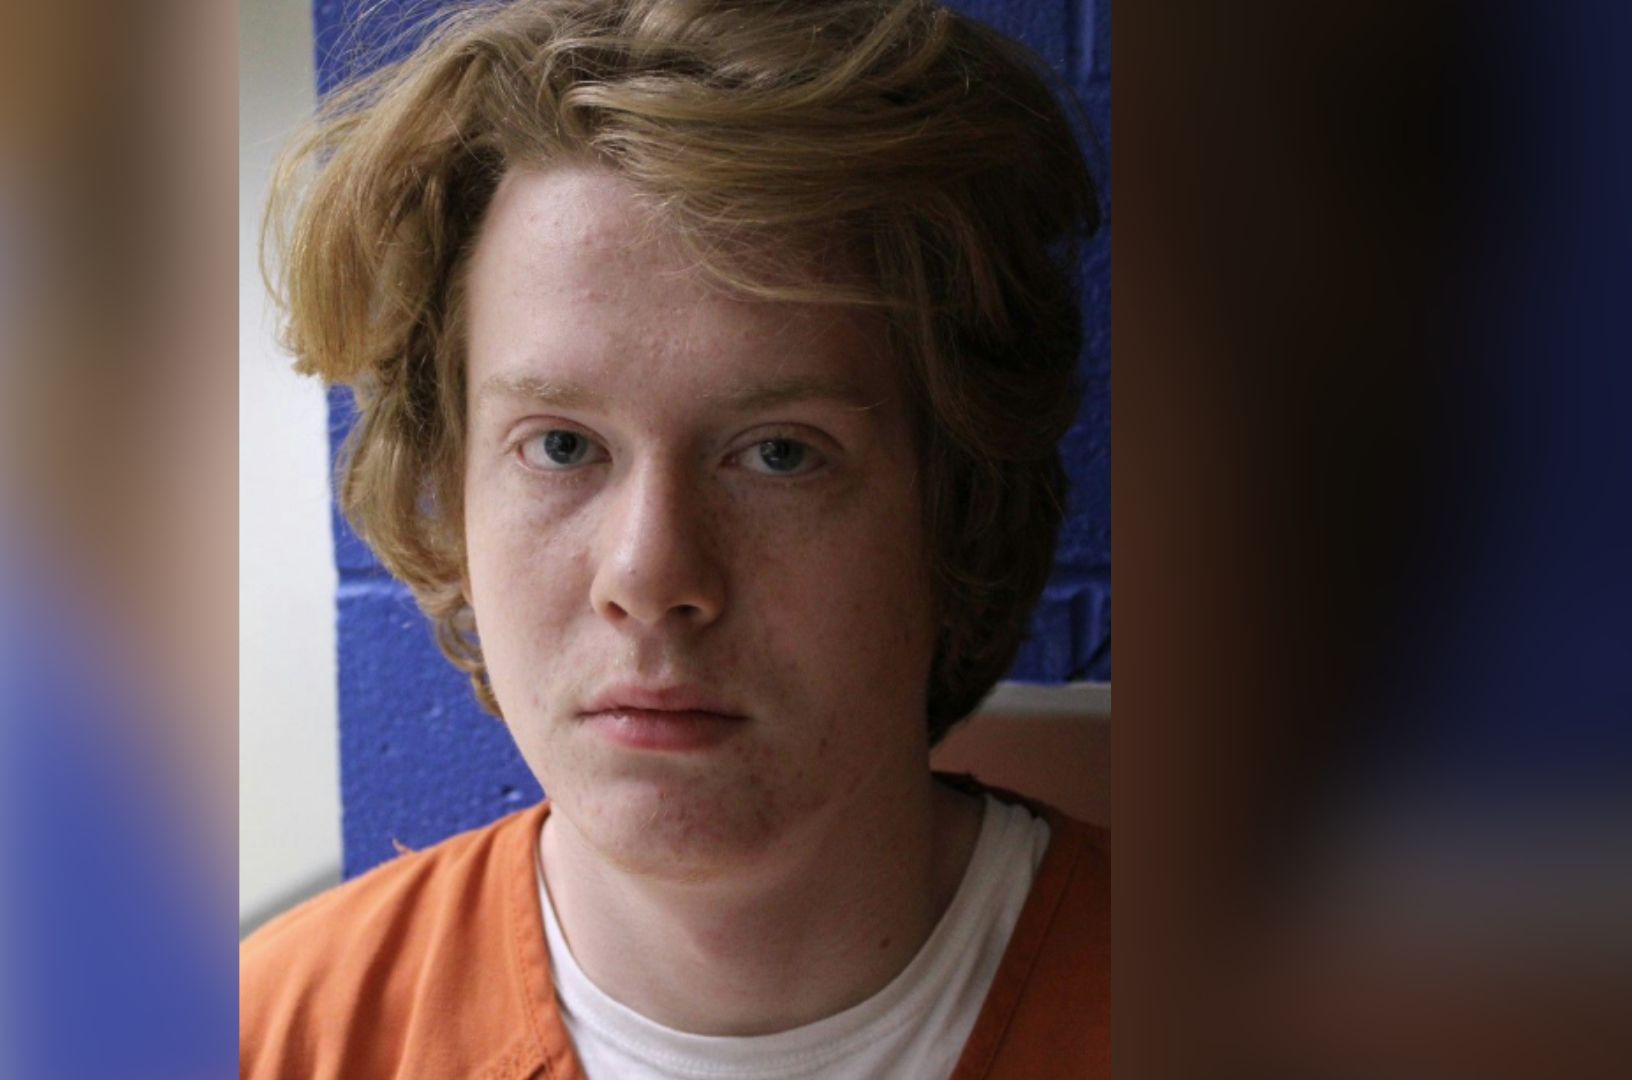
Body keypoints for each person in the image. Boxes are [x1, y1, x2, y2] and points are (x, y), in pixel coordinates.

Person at [243, 1, 1107, 1077]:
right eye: (561, 446)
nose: (650, 574)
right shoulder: (268, 1042)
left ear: (956, 505)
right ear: (449, 493)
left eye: (779, 454)